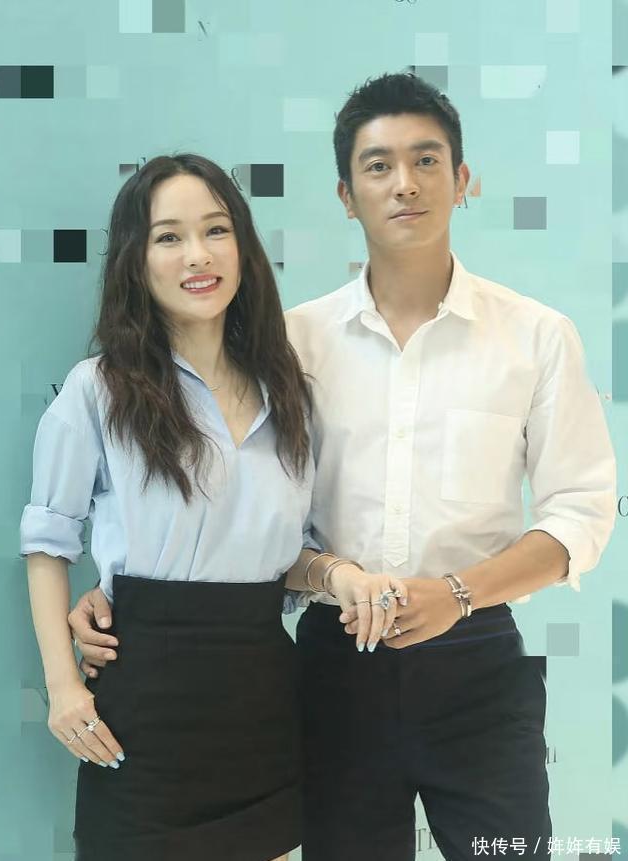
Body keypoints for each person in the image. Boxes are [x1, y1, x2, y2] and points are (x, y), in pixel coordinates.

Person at [69, 74, 617, 861]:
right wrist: (120, 589)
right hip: (334, 667)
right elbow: (234, 512)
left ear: (462, 179)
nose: (405, 184)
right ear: (345, 195)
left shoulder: (536, 336)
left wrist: (456, 594)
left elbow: (581, 514)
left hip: (479, 665)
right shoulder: (289, 346)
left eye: (426, 160)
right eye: (378, 165)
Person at [20, 152, 404, 861]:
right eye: (169, 237)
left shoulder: (290, 391)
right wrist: (63, 685)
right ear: (136, 260)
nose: (197, 254)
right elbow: (48, 541)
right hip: (142, 699)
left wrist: (337, 574)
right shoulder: (98, 389)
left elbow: (282, 553)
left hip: (263, 693)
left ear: (243, 246)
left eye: (216, 230)